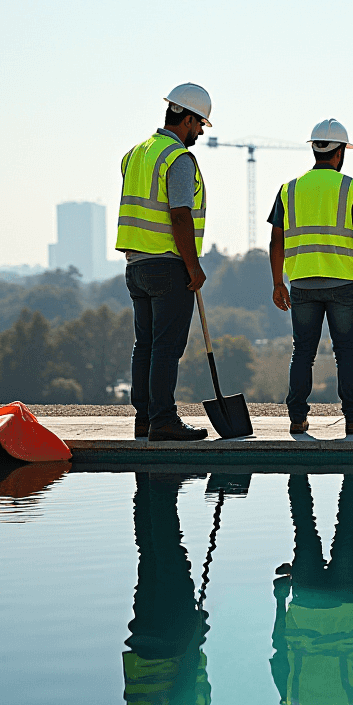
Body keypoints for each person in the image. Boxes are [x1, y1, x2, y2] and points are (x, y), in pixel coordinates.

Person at [269, 118, 353, 435]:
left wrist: (278, 282)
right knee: (346, 351)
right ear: (341, 151)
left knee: (302, 351)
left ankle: (297, 418)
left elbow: (277, 240)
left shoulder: (288, 189)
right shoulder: (351, 187)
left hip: (302, 282)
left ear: (314, 148)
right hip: (343, 283)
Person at [115, 84, 212, 441]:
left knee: (146, 345)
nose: (200, 131)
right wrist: (193, 266)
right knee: (167, 348)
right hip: (168, 266)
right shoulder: (178, 158)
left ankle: (145, 419)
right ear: (186, 118)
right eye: (199, 124)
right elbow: (180, 216)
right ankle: (164, 420)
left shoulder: (136, 153)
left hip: (136, 266)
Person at [122, 472, 217, 705]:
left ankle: (161, 481)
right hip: (142, 639)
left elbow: (184, 685)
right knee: (149, 554)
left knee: (170, 551)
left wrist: (195, 633)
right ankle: (148, 481)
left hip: (171, 640)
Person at [271, 474, 353, 705]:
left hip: (346, 599)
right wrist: (280, 600)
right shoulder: (290, 697)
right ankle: (297, 468)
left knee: (347, 530)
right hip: (306, 600)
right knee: (304, 530)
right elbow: (279, 645)